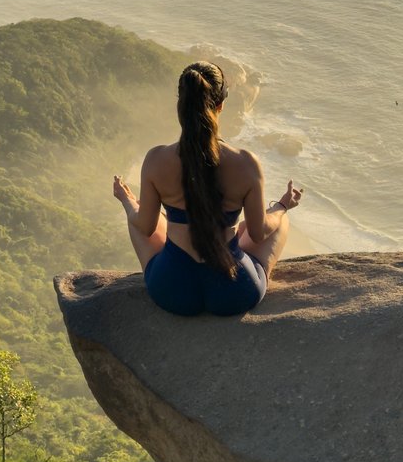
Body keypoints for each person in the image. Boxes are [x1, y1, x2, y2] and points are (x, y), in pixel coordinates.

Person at [112, 61, 302, 316]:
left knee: (139, 215)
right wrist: (281, 207)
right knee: (273, 222)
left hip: (171, 290)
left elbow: (145, 227)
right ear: (221, 105)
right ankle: (273, 223)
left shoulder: (156, 159)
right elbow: (258, 234)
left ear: (181, 104)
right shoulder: (246, 163)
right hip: (234, 291)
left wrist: (126, 201)